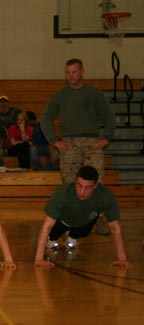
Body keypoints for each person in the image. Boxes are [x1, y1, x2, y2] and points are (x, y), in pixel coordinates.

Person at [40, 58, 115, 235]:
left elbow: (109, 116)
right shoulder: (60, 95)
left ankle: (99, 221)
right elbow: (46, 117)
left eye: (74, 72)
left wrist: (107, 137)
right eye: (67, 72)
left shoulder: (94, 93)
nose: (70, 76)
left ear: (82, 72)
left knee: (96, 183)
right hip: (69, 144)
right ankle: (69, 221)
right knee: (70, 184)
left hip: (92, 143)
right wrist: (54, 140)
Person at [33, 166, 132, 270]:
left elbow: (115, 228)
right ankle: (56, 237)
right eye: (79, 185)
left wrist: (122, 259)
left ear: (95, 186)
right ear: (75, 182)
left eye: (88, 187)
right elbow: (46, 226)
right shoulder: (62, 193)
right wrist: (39, 259)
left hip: (84, 222)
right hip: (62, 221)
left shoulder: (105, 195)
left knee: (82, 232)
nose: (82, 192)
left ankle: (72, 235)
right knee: (53, 235)